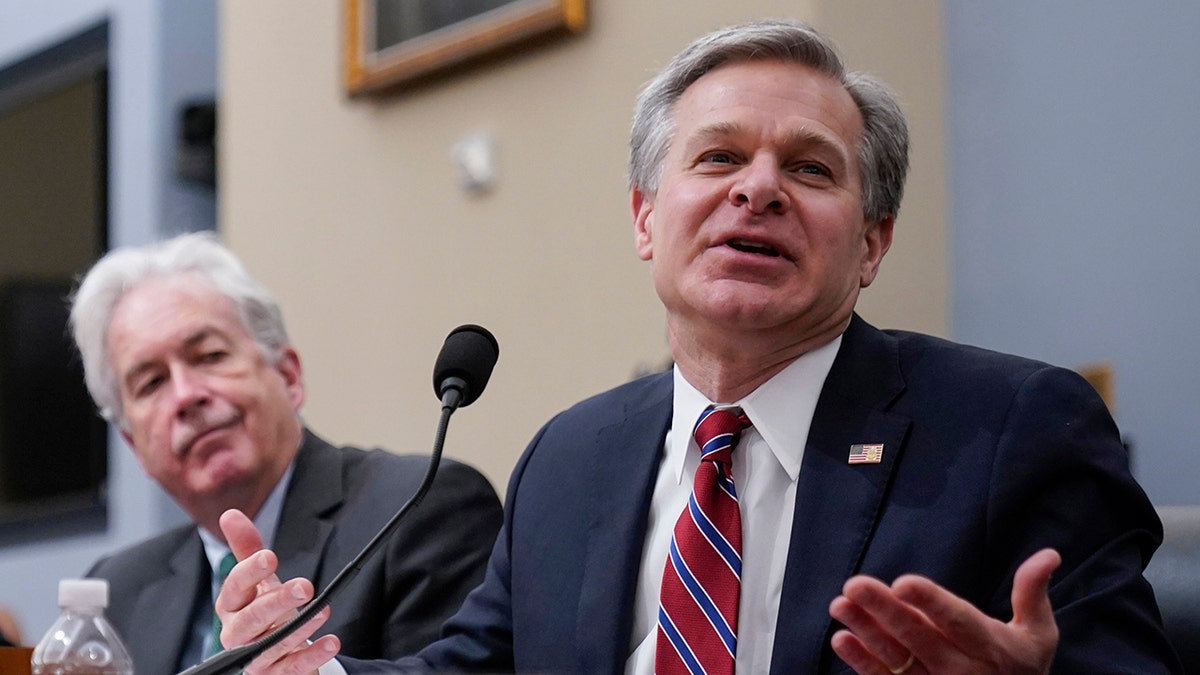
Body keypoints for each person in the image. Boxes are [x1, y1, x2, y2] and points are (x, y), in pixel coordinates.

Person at [214, 19, 1182, 674]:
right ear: (644, 218)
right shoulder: (571, 459)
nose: (758, 190)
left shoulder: (1011, 429)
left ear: (873, 244)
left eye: (809, 168)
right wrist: (316, 669)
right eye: (719, 157)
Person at [68, 232, 503, 674]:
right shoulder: (116, 590)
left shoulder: (419, 509)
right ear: (133, 446)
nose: (186, 396)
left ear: (288, 376)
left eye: (210, 355)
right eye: (151, 383)